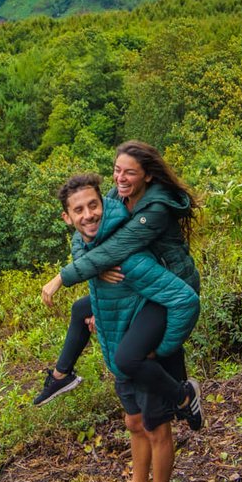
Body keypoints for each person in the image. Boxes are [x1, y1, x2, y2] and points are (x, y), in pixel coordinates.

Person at [50, 173, 199, 482]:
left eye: (93, 205)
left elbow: (179, 298)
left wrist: (160, 348)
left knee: (155, 426)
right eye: (79, 210)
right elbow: (102, 292)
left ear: (104, 204)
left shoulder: (125, 249)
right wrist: (98, 310)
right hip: (121, 340)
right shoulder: (88, 247)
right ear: (67, 218)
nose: (89, 215)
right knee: (133, 422)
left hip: (145, 348)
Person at [35, 142, 203, 428]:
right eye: (117, 170)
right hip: (139, 283)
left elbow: (117, 246)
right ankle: (62, 376)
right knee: (80, 310)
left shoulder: (157, 206)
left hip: (168, 286)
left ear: (147, 175)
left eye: (130, 173)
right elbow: (85, 237)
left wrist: (62, 277)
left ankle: (183, 396)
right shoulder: (118, 197)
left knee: (140, 356)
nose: (120, 178)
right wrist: (97, 271)